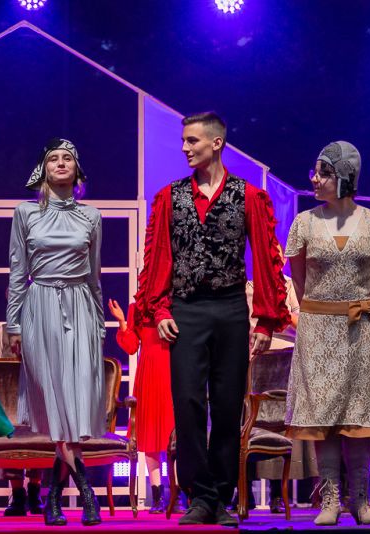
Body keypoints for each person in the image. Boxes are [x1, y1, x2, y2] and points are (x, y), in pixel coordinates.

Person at [137, 112, 290, 526]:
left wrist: (265, 321)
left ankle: (221, 496)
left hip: (230, 308)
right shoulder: (170, 197)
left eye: (192, 141)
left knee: (226, 404)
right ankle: (199, 495)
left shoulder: (249, 196)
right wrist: (160, 309)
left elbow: (267, 259)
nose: (185, 148)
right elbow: (158, 258)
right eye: (183, 141)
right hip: (186, 309)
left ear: (216, 143)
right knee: (188, 404)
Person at [285, 141, 370, 526]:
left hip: (363, 329)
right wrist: (323, 312)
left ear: (346, 176)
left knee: (359, 416)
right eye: (315, 172)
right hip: (319, 330)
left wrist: (352, 306)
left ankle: (360, 499)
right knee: (325, 416)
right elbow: (299, 280)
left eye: (324, 172)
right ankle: (330, 498)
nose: (315, 179)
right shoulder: (304, 223)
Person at [7, 138, 106, 526]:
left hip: (81, 308)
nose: (61, 163)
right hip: (41, 307)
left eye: (68, 158)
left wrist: (99, 324)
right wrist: (13, 324)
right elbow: (18, 273)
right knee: (58, 405)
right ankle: (88, 494)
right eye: (54, 159)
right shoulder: (25, 213)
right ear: (43, 169)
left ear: (77, 169)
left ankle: (52, 498)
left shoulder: (91, 216)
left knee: (75, 408)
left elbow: (95, 276)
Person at [245, 244, 318, 514]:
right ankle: (245, 491)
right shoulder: (248, 287)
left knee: (279, 425)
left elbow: (304, 324)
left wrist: (283, 315)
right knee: (250, 423)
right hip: (255, 362)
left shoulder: (290, 287)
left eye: (277, 254)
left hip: (284, 361)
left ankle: (278, 494)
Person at [108, 299, 175, 513]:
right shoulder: (137, 308)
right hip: (149, 376)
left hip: (174, 371)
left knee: (176, 437)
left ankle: (180, 494)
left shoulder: (177, 303)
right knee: (150, 437)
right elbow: (130, 346)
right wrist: (122, 322)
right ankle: (158, 497)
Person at [0, 319, 44, 516]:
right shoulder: (2, 331)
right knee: (12, 443)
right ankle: (18, 495)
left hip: (36, 394)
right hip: (10, 396)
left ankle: (35, 493)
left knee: (39, 441)